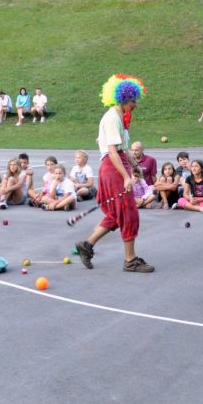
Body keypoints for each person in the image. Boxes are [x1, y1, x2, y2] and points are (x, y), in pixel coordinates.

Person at [74, 75, 153, 273]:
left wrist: (134, 166)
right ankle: (130, 260)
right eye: (133, 100)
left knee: (117, 214)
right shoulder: (111, 118)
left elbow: (123, 148)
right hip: (112, 169)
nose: (135, 104)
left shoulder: (120, 117)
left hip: (119, 166)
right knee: (129, 213)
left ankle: (87, 245)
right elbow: (112, 151)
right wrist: (126, 177)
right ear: (124, 98)